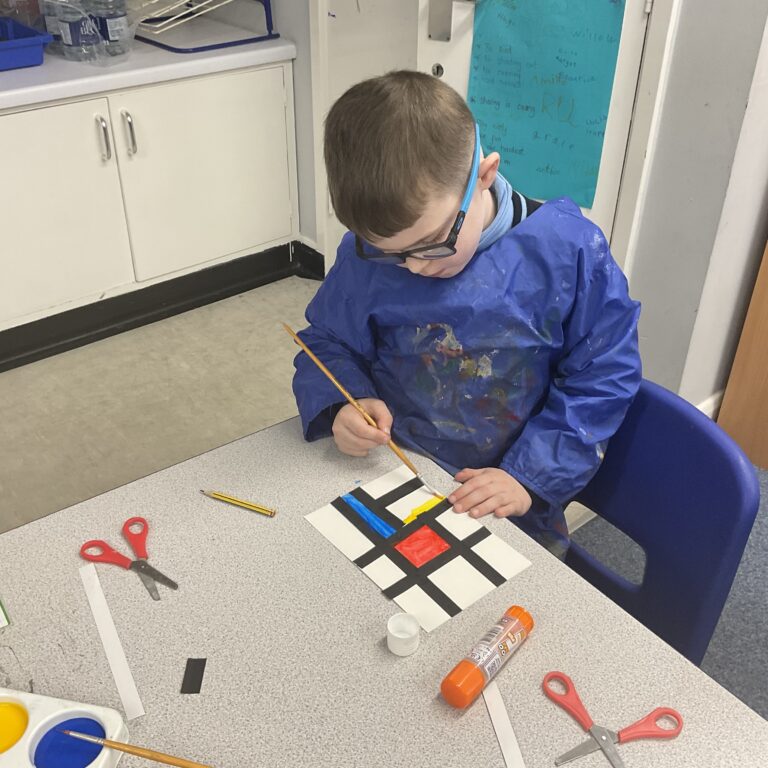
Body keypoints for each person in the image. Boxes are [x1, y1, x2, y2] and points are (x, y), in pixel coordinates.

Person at [291, 70, 641, 556]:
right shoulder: (367, 256)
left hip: (508, 497)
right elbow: (328, 342)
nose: (415, 266)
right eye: (391, 254)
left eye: (432, 242)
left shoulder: (568, 252)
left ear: (485, 176)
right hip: (391, 475)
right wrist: (343, 403)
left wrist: (529, 477)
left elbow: (602, 377)